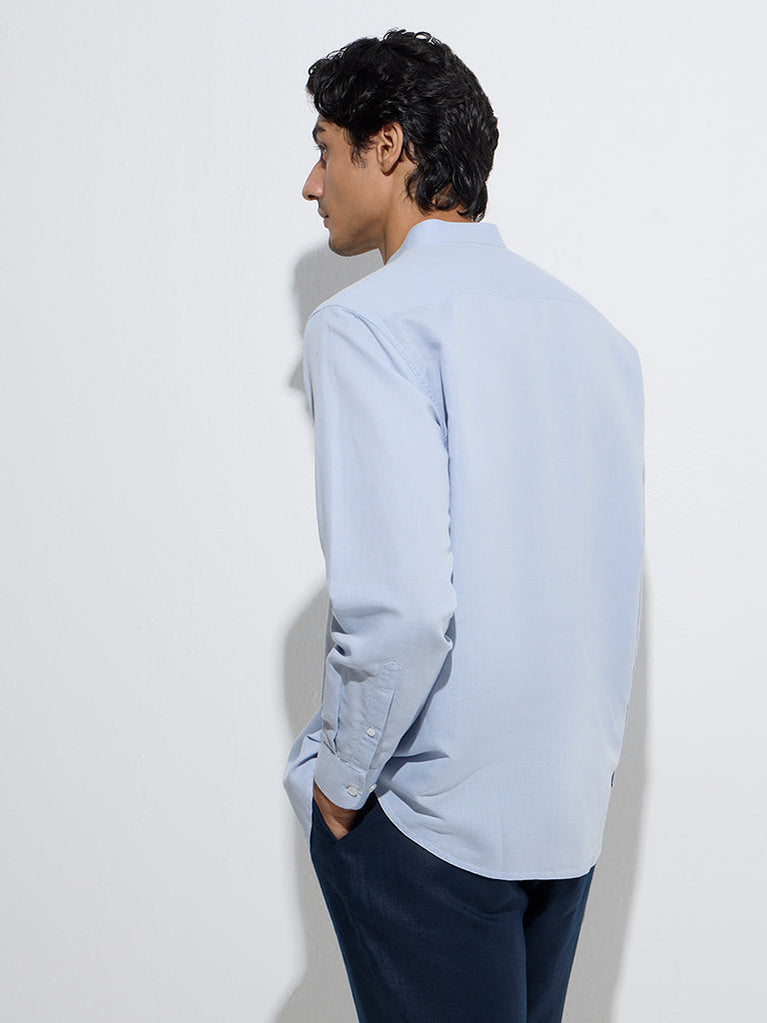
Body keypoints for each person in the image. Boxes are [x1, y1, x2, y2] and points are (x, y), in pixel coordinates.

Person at [283, 28, 644, 1023]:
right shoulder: (595, 336)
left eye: (325, 150)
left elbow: (399, 608)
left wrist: (337, 786)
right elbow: (603, 585)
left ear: (387, 147)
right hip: (562, 821)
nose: (312, 185)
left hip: (426, 826)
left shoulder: (367, 323)